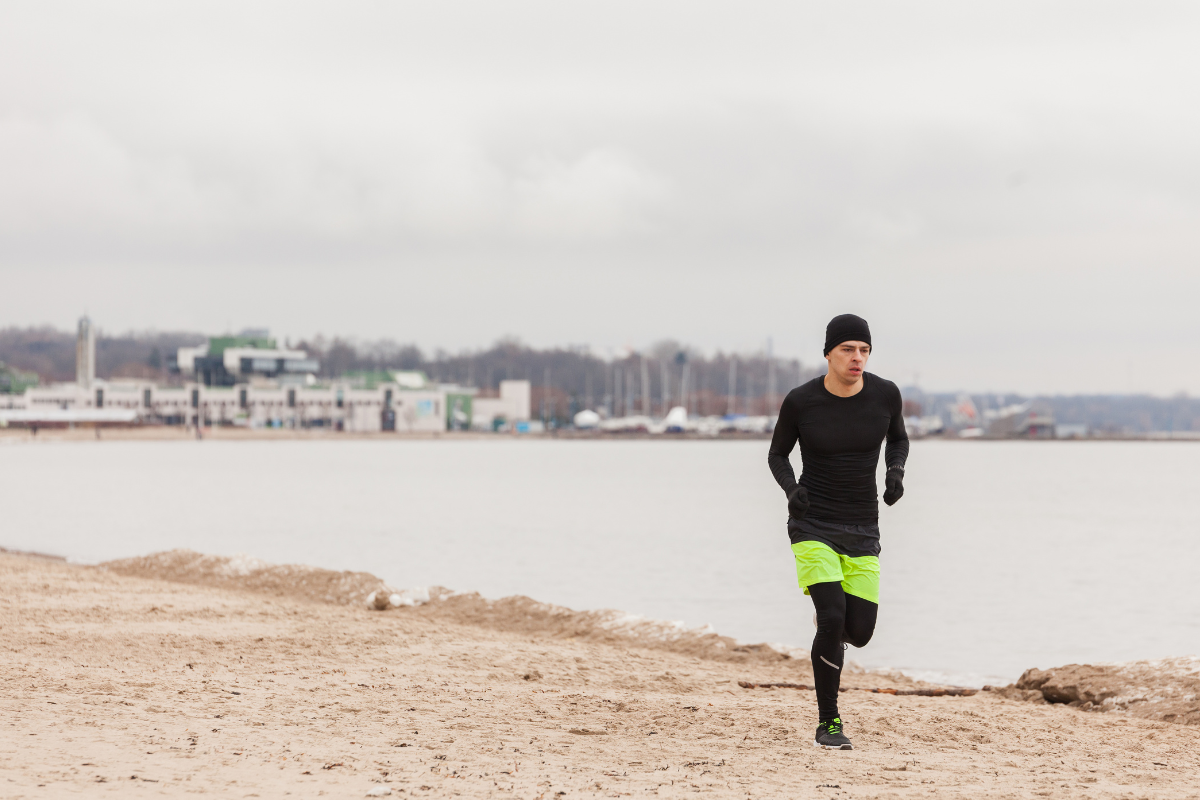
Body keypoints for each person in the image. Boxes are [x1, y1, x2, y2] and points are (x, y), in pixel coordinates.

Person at [767, 313, 909, 750]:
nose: (857, 358)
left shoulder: (885, 395)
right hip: (812, 523)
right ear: (828, 353)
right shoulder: (801, 401)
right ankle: (828, 723)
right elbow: (777, 455)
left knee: (859, 631)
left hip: (863, 524)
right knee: (832, 618)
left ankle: (830, 624)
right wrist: (792, 491)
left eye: (864, 350)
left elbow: (899, 439)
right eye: (848, 349)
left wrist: (896, 473)